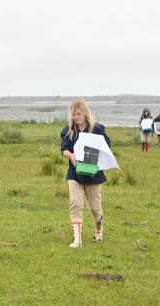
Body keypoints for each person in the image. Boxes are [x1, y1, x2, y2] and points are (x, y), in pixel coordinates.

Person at [60, 98, 111, 248]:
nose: (76, 117)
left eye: (79, 114)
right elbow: (63, 150)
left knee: (95, 208)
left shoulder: (98, 129)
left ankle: (99, 228)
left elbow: (106, 146)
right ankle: (77, 240)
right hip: (75, 173)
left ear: (85, 113)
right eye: (74, 114)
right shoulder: (68, 131)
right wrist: (71, 156)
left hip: (94, 174)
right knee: (75, 204)